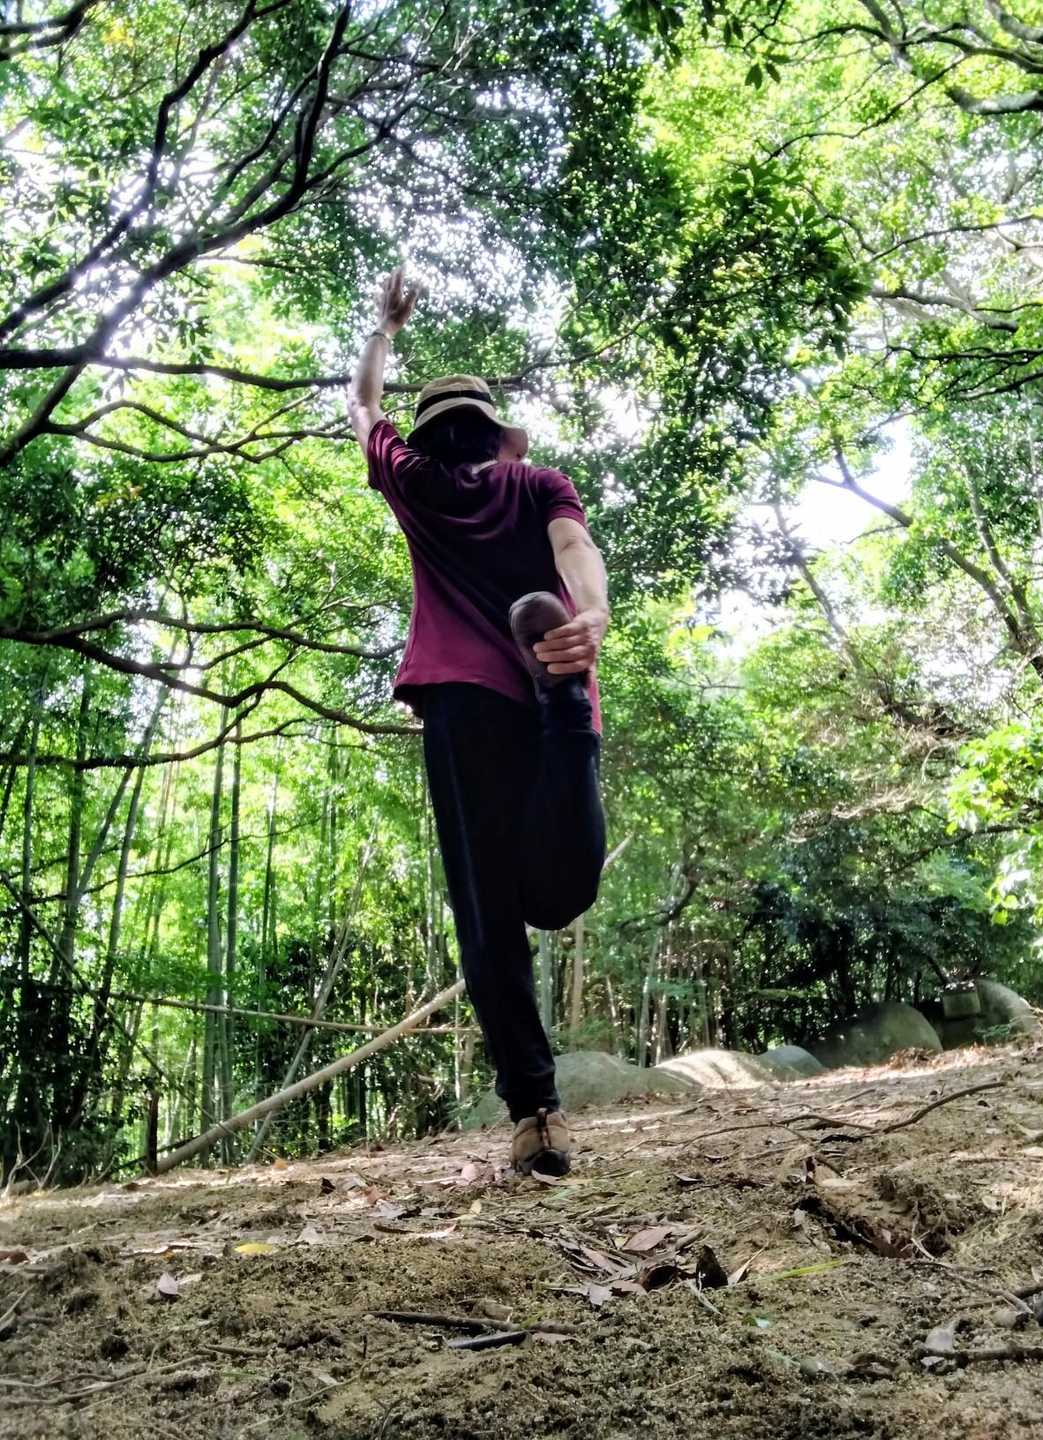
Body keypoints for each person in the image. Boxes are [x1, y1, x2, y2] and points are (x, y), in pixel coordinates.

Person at [346, 270, 609, 1176]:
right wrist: (591, 616)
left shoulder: (411, 480)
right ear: (499, 437)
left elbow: (361, 404)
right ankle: (561, 697)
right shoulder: (538, 482)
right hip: (552, 684)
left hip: (461, 705)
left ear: (426, 437)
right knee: (562, 892)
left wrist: (385, 329)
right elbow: (574, 546)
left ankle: (536, 1113)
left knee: (490, 913)